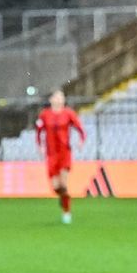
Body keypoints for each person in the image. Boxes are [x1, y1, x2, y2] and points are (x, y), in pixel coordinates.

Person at [36, 89, 86, 224]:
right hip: (51, 154)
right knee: (55, 187)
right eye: (57, 97)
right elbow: (39, 132)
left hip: (65, 152)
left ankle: (66, 211)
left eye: (62, 97)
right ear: (51, 100)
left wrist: (81, 142)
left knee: (63, 184)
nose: (60, 99)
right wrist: (40, 146)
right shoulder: (45, 115)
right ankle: (64, 199)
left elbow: (80, 129)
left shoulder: (69, 113)